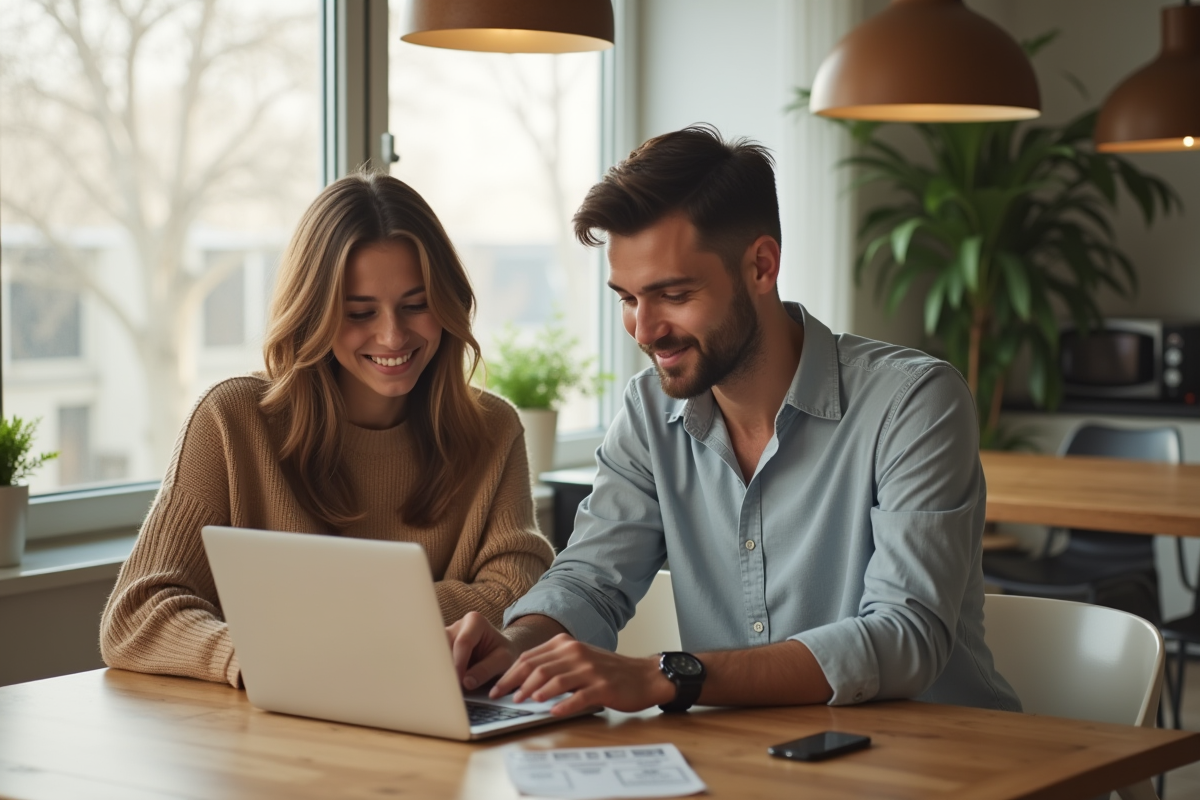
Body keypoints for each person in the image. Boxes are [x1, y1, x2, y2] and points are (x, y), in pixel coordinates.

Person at [447, 125, 1020, 717]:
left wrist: (670, 677)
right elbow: (591, 580)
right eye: (627, 298)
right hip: (752, 764)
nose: (645, 331)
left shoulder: (914, 403)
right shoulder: (650, 411)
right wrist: (514, 647)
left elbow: (906, 638)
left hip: (940, 762)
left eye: (673, 294)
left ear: (762, 267)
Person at [101, 173, 555, 688]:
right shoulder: (231, 420)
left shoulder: (492, 429)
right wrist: (262, 654)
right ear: (312, 314)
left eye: (416, 304)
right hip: (267, 731)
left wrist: (318, 617)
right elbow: (137, 614)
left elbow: (520, 593)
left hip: (431, 724)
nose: (392, 335)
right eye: (359, 312)